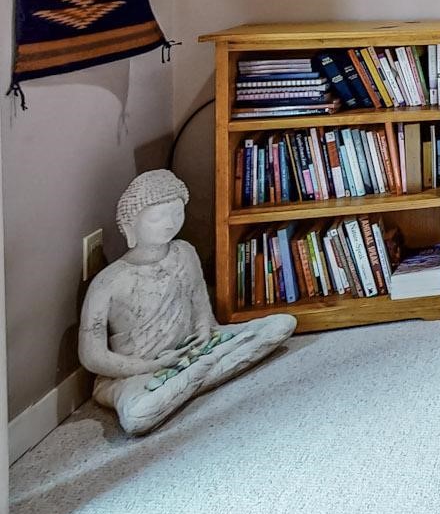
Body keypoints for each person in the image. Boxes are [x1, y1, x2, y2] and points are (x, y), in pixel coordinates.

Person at [79, 170, 295, 435]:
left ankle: (188, 378)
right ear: (130, 224)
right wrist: (153, 366)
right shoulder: (108, 281)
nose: (169, 224)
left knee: (281, 325)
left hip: (194, 349)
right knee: (138, 416)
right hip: (138, 370)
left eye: (177, 213)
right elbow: (92, 357)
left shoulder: (184, 252)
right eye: (157, 218)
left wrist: (203, 332)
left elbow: (200, 306)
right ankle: (198, 374)